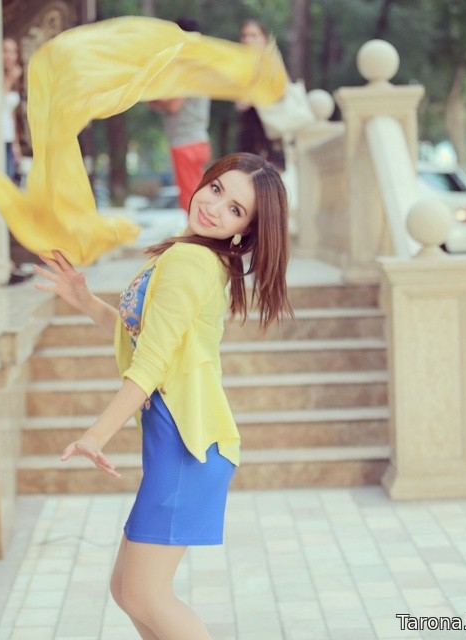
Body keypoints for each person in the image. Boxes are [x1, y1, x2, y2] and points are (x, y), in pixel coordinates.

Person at [34, 151, 292, 639]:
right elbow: (145, 338)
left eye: (235, 209)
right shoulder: (192, 256)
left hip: (187, 451)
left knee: (144, 594)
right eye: (216, 189)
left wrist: (95, 435)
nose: (214, 207)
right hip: (180, 446)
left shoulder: (192, 262)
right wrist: (85, 300)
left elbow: (150, 364)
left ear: (245, 231)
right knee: (128, 590)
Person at [148, 18, 212, 210]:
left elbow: (173, 104)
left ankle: (198, 230)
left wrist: (149, 98)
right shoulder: (199, 66)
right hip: (197, 139)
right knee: (197, 195)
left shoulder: (185, 67)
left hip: (186, 142)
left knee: (191, 200)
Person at [235, 20, 286, 170]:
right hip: (249, 127)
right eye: (244, 36)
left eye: (253, 35)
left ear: (264, 38)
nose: (247, 40)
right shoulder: (242, 62)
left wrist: (253, 98)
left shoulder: (270, 59)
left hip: (269, 126)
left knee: (269, 174)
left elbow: (282, 92)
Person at [2, 37, 22, 183]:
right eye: (5, 51)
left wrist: (16, 144)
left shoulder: (13, 79)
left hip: (8, 138)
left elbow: (11, 112)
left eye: (13, 52)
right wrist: (9, 80)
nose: (9, 56)